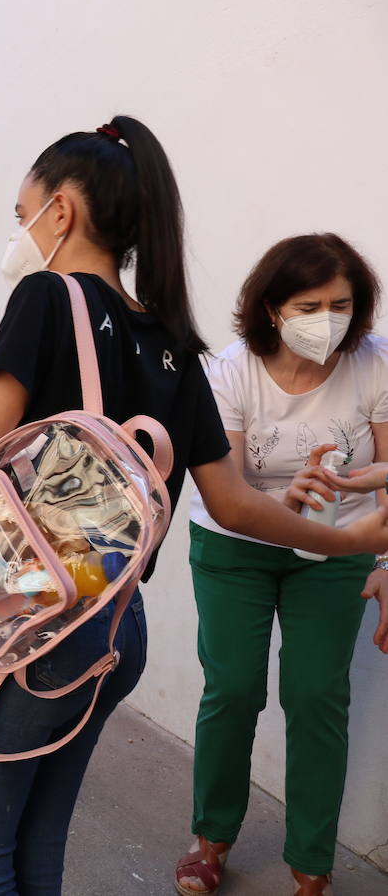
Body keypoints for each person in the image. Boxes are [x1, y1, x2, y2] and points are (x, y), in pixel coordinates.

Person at [0, 116, 388, 895]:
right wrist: (348, 545)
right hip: (118, 628)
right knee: (35, 851)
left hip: (36, 620)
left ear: (62, 212)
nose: (20, 233)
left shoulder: (47, 297)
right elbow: (234, 504)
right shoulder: (173, 337)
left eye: (22, 214)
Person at [176, 234, 388, 896]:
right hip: (234, 548)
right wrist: (286, 503)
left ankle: (312, 864)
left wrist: (384, 557)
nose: (330, 318)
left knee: (317, 695)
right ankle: (211, 838)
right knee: (233, 690)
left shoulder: (374, 366)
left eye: (343, 303)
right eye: (309, 304)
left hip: (336, 550)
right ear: (272, 309)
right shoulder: (229, 371)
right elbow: (231, 490)